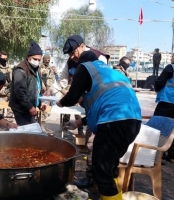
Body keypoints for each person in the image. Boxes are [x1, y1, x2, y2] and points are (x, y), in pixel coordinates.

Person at [57, 50, 142, 199]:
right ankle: (114, 195)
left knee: (100, 171)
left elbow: (72, 97)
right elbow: (104, 105)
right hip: (133, 121)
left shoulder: (85, 67)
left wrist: (60, 102)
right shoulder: (109, 73)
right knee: (109, 166)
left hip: (114, 122)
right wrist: (78, 122)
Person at [55, 34, 110, 188]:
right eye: (70, 54)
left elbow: (84, 93)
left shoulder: (94, 60)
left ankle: (96, 183)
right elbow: (64, 80)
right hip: (101, 108)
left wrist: (62, 102)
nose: (73, 57)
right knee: (95, 146)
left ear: (82, 45)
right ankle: (97, 181)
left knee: (94, 144)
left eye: (74, 52)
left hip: (104, 108)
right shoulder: (73, 61)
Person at [9, 42, 46, 126]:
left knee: (30, 131)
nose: (37, 61)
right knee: (28, 132)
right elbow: (19, 92)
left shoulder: (36, 69)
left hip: (29, 107)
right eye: (34, 59)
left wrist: (40, 103)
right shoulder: (21, 70)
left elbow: (36, 88)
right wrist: (29, 107)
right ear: (28, 57)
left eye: (39, 60)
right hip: (21, 108)